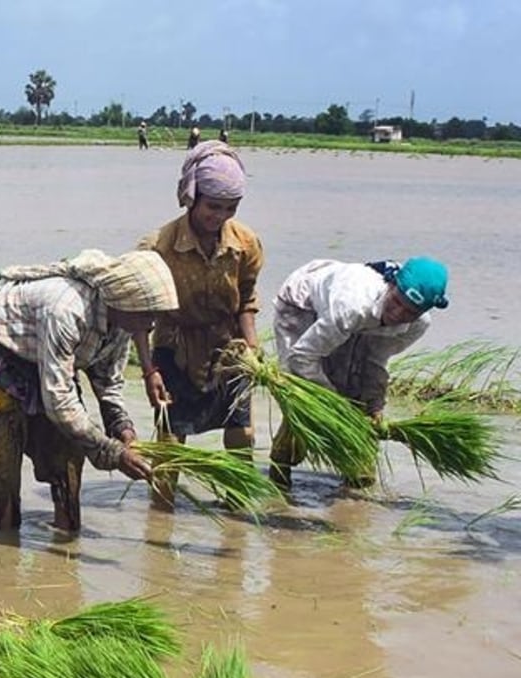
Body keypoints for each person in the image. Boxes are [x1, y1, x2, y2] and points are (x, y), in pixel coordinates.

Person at [0, 249, 179, 533]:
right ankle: (4, 547)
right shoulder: (67, 310)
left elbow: (109, 381)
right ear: (124, 302)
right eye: (148, 315)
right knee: (4, 464)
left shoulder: (122, 323)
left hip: (49, 363)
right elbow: (60, 401)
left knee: (68, 457)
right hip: (3, 360)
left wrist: (122, 427)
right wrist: (112, 453)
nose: (151, 325)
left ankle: (65, 531)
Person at [136, 140, 264, 509]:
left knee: (242, 434)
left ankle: (238, 510)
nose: (219, 216)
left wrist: (252, 349)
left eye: (230, 208)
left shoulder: (245, 243)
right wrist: (149, 370)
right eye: (212, 206)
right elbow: (139, 318)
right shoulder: (159, 246)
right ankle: (160, 515)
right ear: (191, 195)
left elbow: (247, 298)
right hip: (175, 347)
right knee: (171, 439)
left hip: (230, 346)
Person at [269, 257, 449, 486]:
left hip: (357, 319)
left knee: (356, 393)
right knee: (302, 395)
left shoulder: (417, 325)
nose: (397, 314)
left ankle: (357, 480)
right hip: (303, 304)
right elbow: (302, 357)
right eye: (396, 302)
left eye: (409, 312)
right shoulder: (352, 306)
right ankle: (280, 470)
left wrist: (374, 406)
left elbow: (374, 360)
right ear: (391, 285)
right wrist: (332, 400)